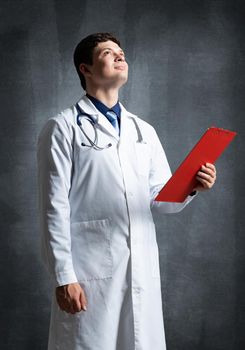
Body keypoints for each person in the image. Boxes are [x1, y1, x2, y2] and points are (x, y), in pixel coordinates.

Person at [37, 32, 216, 350]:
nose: (120, 56)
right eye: (108, 53)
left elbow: (160, 199)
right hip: (90, 271)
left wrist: (192, 185)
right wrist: (64, 276)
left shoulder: (142, 130)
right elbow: (54, 207)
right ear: (86, 69)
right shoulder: (62, 127)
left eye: (121, 52)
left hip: (140, 270)